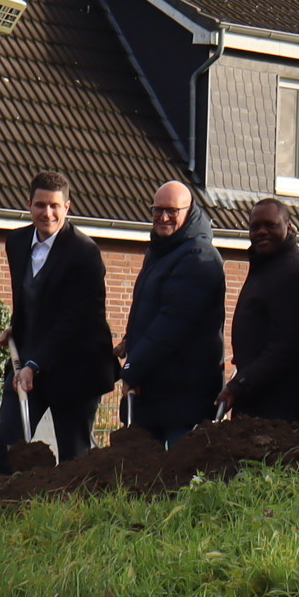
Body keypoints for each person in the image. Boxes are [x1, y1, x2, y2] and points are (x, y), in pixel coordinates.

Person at [0, 170, 113, 465]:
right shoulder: (17, 243)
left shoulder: (84, 254)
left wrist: (35, 365)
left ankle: (73, 510)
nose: (47, 213)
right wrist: (18, 328)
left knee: (73, 459)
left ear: (67, 208)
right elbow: (31, 298)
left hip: (76, 368)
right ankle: (3, 506)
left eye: (54, 206)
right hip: (27, 364)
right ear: (29, 204)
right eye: (40, 205)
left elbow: (75, 320)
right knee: (8, 447)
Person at [120, 182, 225, 445]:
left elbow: (173, 323)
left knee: (181, 478)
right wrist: (129, 341)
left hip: (184, 395)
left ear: (189, 211)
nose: (163, 217)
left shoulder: (198, 257)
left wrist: (132, 370)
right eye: (157, 210)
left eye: (172, 211)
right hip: (157, 392)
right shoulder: (162, 251)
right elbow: (151, 311)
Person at [225, 197, 299, 423]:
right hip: (256, 396)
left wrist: (239, 384)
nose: (262, 232)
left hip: (278, 406)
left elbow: (287, 346)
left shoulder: (295, 273)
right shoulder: (268, 263)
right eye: (256, 226)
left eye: (270, 225)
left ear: (288, 227)